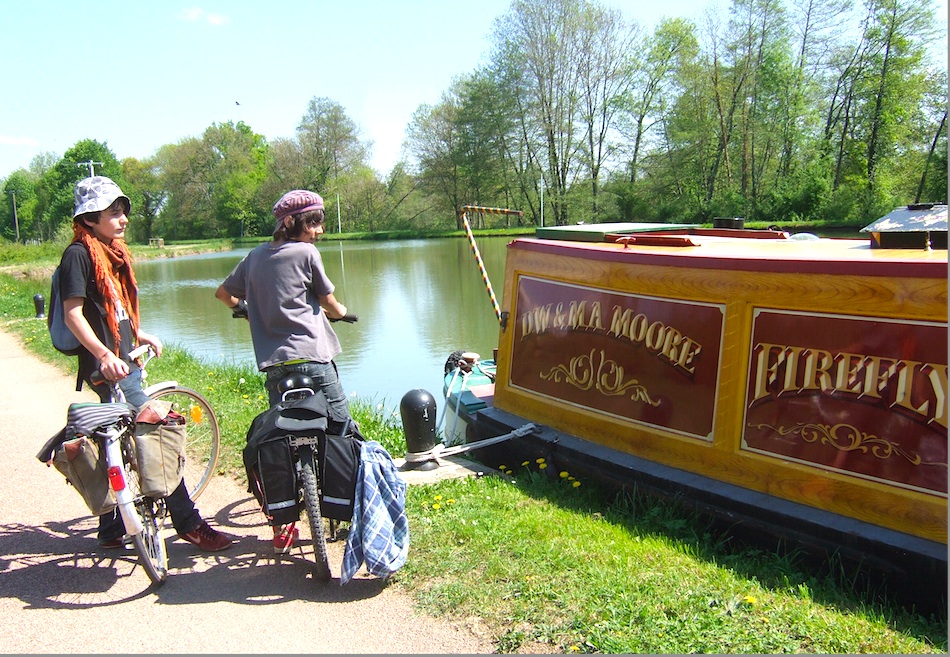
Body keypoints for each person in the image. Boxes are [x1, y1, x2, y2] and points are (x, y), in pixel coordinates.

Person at [59, 175, 232, 552]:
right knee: (156, 432)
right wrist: (104, 355)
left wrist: (139, 335)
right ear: (89, 218)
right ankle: (188, 522)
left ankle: (110, 527)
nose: (123, 220)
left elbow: (112, 313)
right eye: (113, 213)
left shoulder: (109, 252)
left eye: (123, 212)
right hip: (108, 367)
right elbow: (74, 314)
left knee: (114, 438)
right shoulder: (78, 254)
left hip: (122, 359)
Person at [215, 189, 351, 553]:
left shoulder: (255, 257)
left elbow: (223, 295)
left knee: (284, 438)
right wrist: (341, 312)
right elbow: (330, 304)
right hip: (314, 359)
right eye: (313, 223)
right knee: (340, 428)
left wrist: (246, 308)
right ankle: (346, 506)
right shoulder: (307, 253)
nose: (319, 230)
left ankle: (284, 523)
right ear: (292, 223)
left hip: (275, 366)